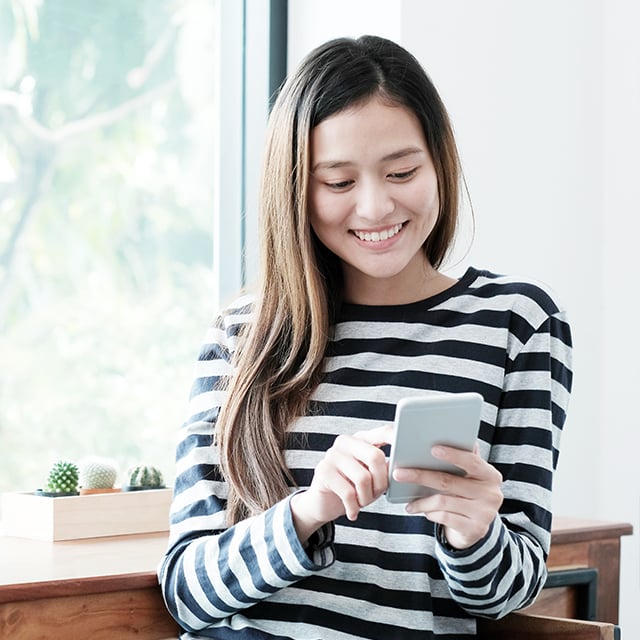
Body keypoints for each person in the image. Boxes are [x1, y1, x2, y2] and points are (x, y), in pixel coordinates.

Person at [158, 35, 573, 639]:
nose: (376, 207)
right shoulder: (241, 336)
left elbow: (507, 593)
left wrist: (475, 532)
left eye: (401, 171)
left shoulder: (517, 323)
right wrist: (310, 510)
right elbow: (186, 591)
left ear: (439, 163)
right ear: (296, 189)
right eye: (338, 182)